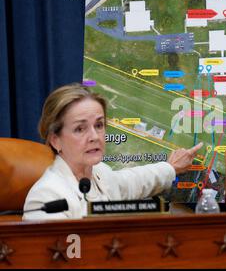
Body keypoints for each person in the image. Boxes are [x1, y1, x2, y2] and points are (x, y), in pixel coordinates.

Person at [23, 83, 203, 220]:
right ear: (56, 140)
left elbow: (136, 179)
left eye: (99, 125)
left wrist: (171, 167)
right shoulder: (46, 198)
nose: (94, 136)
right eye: (80, 129)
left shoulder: (100, 173)